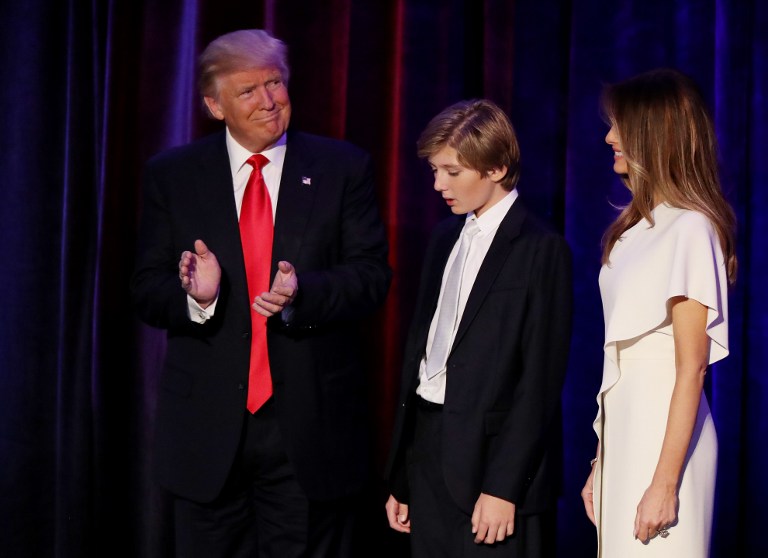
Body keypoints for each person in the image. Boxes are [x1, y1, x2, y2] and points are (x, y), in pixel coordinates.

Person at [131, 29, 391, 558]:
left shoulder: (342, 168)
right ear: (214, 104)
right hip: (207, 433)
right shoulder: (174, 176)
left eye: (275, 83)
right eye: (248, 90)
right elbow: (144, 288)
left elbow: (370, 277)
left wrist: (303, 294)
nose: (269, 101)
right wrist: (195, 299)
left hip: (307, 430)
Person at [384, 99, 572, 558]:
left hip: (492, 468)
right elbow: (423, 352)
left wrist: (504, 487)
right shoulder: (445, 236)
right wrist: (402, 477)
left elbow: (539, 383)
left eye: (451, 172)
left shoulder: (540, 250)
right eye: (434, 171)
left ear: (496, 168)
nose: (437, 185)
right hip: (430, 453)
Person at [581, 68, 737, 557]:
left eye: (619, 126)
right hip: (625, 432)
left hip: (667, 442)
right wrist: (600, 460)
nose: (609, 137)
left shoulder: (691, 229)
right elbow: (619, 364)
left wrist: (665, 482)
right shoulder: (631, 233)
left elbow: (691, 367)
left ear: (652, 132)